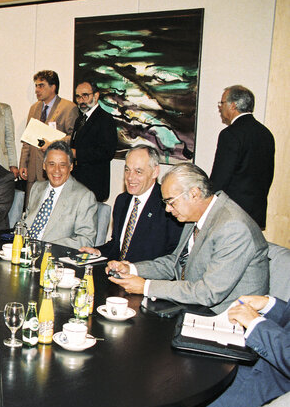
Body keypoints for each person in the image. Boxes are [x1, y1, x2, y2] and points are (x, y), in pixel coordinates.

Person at [107, 163, 268, 314]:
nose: (168, 210)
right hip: (195, 306)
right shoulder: (196, 216)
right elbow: (175, 263)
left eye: (170, 202)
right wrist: (132, 269)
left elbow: (209, 293)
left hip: (225, 318)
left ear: (194, 194)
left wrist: (146, 286)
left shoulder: (232, 227)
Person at [147, 294, 289, 407]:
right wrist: (269, 304)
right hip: (260, 361)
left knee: (179, 403)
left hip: (271, 391)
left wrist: (256, 324)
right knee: (177, 371)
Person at [80, 145, 182, 262]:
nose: (130, 177)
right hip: (117, 273)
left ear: (155, 172)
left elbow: (171, 257)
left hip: (146, 277)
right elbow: (117, 245)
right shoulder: (122, 200)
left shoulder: (168, 206)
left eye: (138, 172)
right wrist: (99, 252)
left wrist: (134, 271)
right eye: (127, 170)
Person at [210, 85, 275, 229]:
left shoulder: (230, 134)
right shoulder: (266, 134)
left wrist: (208, 208)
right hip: (255, 215)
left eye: (222, 103)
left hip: (232, 216)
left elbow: (220, 179)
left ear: (233, 105)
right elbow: (267, 176)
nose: (220, 107)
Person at [23, 141, 97, 248]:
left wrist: (46, 246)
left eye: (62, 165)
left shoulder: (84, 197)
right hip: (25, 251)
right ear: (44, 166)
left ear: (70, 167)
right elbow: (25, 224)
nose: (56, 170)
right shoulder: (37, 188)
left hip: (54, 257)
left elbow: (86, 240)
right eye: (51, 164)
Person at [18, 71, 79, 196]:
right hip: (33, 168)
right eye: (36, 86)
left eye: (41, 86)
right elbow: (27, 139)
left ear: (53, 87)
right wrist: (23, 163)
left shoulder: (68, 108)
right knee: (31, 205)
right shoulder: (34, 108)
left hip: (54, 169)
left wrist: (53, 143)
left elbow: (73, 138)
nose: (36, 90)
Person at [70, 80, 117, 202]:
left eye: (85, 95)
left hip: (94, 186)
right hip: (77, 184)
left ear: (96, 96)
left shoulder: (105, 119)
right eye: (78, 97)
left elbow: (107, 152)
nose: (81, 100)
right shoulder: (79, 120)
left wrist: (77, 154)